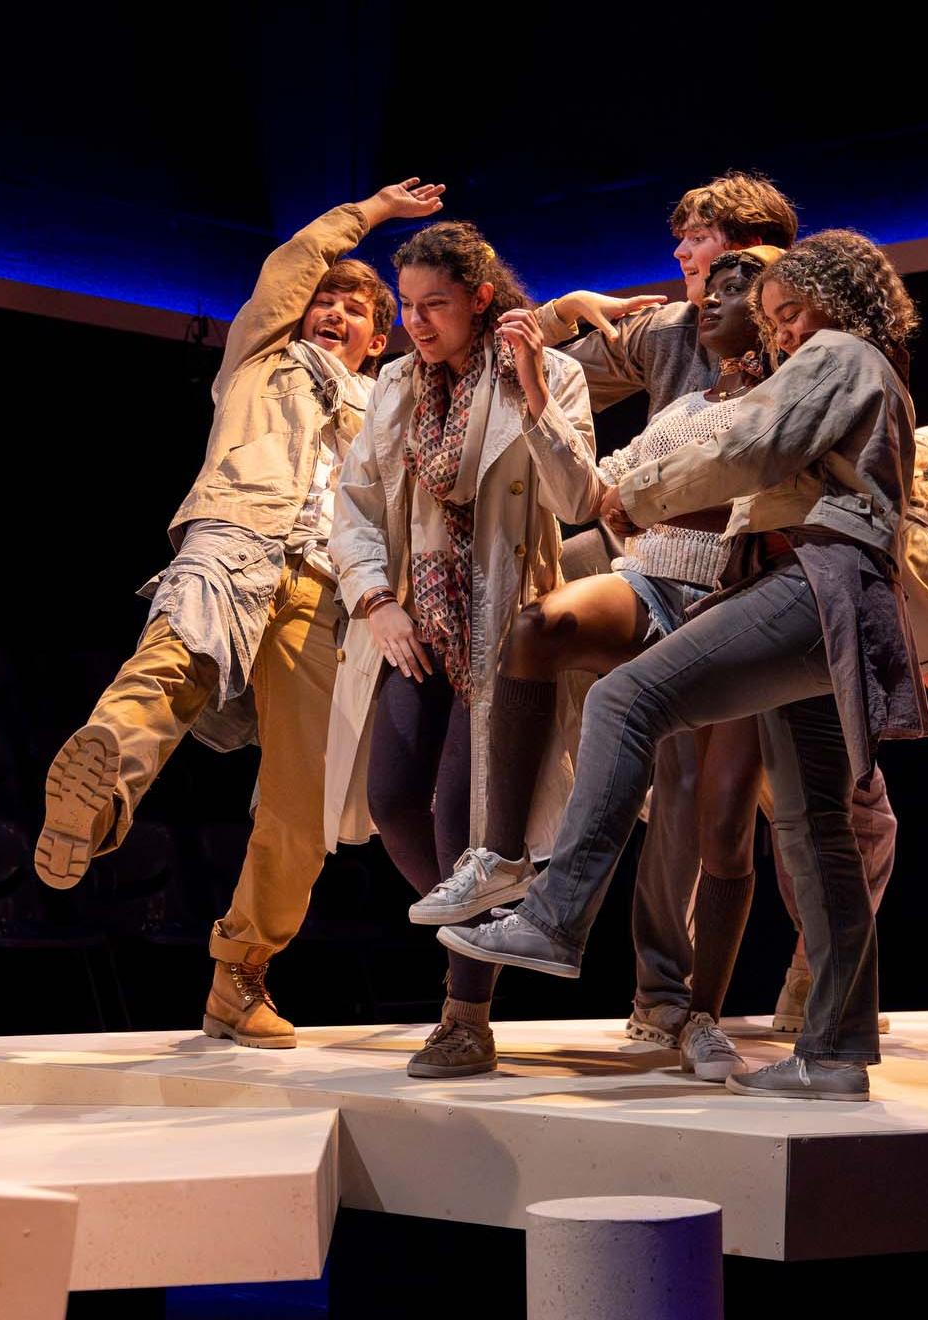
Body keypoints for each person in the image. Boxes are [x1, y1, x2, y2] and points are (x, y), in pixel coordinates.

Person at [447, 231, 927, 1102]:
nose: (784, 331)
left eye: (792, 311)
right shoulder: (868, 370)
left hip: (812, 580)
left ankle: (554, 918)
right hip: (838, 595)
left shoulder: (839, 353)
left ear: (836, 300)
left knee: (626, 700)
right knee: (814, 829)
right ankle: (835, 1051)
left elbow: (750, 452)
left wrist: (639, 495)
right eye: (775, 320)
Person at [32, 179, 443, 1051]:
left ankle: (239, 975)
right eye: (324, 301)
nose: (332, 311)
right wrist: (368, 215)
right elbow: (291, 264)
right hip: (237, 538)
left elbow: (471, 378)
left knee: (303, 799)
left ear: (380, 339)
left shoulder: (391, 406)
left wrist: (560, 319)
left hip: (329, 587)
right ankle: (94, 803)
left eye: (352, 308)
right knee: (169, 663)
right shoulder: (258, 359)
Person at [325, 220, 602, 1078]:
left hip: (504, 626)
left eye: (434, 304)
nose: (415, 322)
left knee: (463, 821)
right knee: (390, 800)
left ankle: (464, 1017)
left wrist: (533, 393)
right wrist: (376, 600)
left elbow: (581, 500)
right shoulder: (398, 382)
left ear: (482, 299)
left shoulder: (549, 372)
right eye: (407, 305)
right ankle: (492, 929)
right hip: (417, 619)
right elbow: (356, 502)